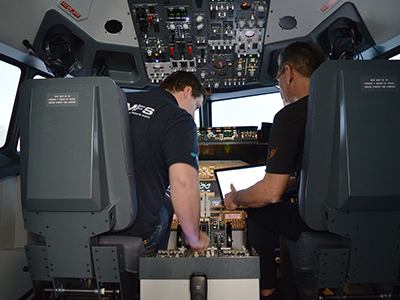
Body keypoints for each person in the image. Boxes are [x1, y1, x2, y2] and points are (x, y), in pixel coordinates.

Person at [223, 41, 326, 300]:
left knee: (259, 210)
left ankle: (267, 291)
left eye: (278, 77)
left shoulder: (291, 116)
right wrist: (291, 184)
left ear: (288, 73)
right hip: (368, 216)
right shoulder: (348, 107)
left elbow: (269, 194)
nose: (280, 85)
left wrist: (236, 198)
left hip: (318, 220)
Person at [117, 71, 209, 253]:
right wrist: (194, 237)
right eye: (196, 107)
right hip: (135, 229)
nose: (193, 116)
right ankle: (152, 271)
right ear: (187, 91)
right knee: (168, 201)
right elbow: (183, 181)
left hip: (89, 224)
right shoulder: (178, 118)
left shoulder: (117, 99)